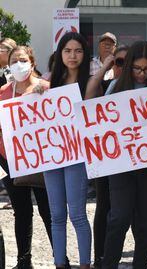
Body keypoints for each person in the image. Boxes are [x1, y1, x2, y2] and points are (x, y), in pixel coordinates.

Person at [98, 41, 147, 269]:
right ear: (128, 66)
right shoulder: (116, 86)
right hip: (121, 165)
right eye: (137, 68)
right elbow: (101, 124)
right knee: (119, 218)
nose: (141, 73)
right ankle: (109, 264)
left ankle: (141, 264)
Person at [0, 45, 54, 269]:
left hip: (42, 159)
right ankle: (24, 261)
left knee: (48, 210)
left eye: (23, 60)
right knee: (21, 211)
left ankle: (61, 257)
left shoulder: (47, 88)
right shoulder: (3, 92)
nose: (18, 64)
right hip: (9, 159)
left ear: (32, 63)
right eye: (14, 60)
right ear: (9, 65)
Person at [45, 32, 92, 269]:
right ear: (59, 54)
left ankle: (85, 264)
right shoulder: (47, 83)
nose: (72, 56)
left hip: (77, 156)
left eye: (78, 50)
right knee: (56, 216)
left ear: (85, 54)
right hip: (51, 156)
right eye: (67, 50)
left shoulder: (91, 83)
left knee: (77, 214)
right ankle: (59, 263)